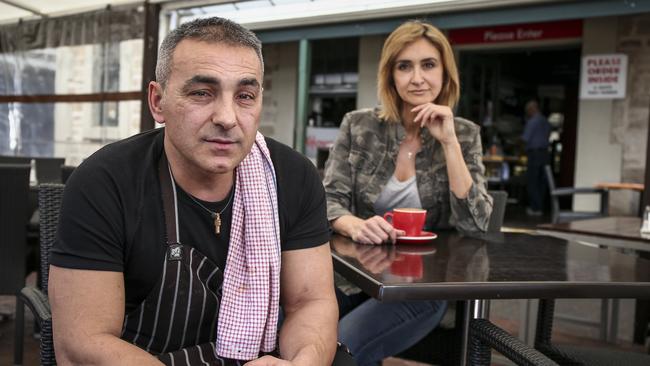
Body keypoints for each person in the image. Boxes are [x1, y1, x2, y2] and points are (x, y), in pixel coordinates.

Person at [48, 17, 338, 366]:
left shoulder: (292, 177)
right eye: (202, 93)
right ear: (158, 102)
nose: (227, 117)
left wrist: (303, 362)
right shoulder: (104, 182)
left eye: (245, 96)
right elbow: (83, 342)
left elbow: (311, 303)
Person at [323, 20, 493, 366]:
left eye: (428, 65)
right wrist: (353, 224)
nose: (417, 78)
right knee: (290, 333)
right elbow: (328, 199)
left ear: (445, 74)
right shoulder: (359, 125)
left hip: (421, 288)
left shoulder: (464, 133)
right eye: (405, 66)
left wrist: (449, 142)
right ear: (391, 75)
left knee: (342, 348)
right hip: (352, 277)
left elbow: (477, 225)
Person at [522, 100, 551, 216]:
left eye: (528, 111)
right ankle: (540, 207)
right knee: (542, 182)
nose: (527, 113)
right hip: (545, 153)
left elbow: (525, 139)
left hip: (534, 153)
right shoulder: (545, 121)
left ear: (532, 109)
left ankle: (535, 208)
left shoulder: (532, 122)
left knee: (533, 181)